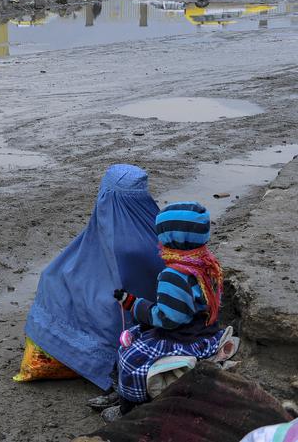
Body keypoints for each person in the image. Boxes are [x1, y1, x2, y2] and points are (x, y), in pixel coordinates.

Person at [24, 164, 165, 393]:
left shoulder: (119, 236)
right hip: (153, 308)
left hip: (127, 310)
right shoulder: (155, 224)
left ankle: (88, 361)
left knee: (54, 279)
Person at [113, 202, 224, 413]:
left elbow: (169, 319)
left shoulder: (174, 274)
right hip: (207, 330)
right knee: (138, 337)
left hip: (184, 338)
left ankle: (130, 407)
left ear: (170, 237)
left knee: (130, 358)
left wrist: (133, 303)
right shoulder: (208, 263)